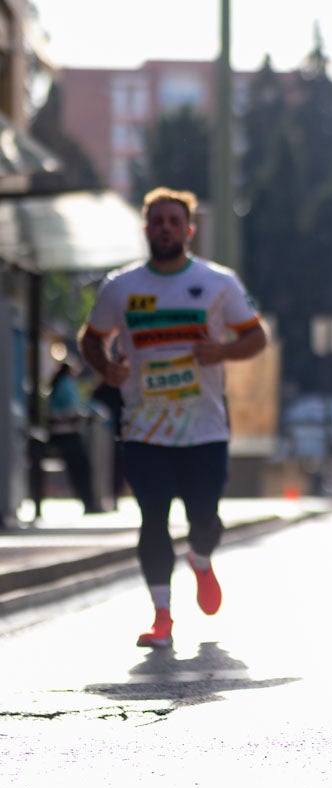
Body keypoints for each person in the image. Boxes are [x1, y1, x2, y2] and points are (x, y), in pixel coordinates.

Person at [78, 186, 269, 649]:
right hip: (144, 427)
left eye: (173, 221)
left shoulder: (218, 282)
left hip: (204, 428)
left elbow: (256, 337)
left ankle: (200, 559)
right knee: (153, 519)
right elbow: (90, 339)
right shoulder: (120, 287)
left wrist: (221, 349)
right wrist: (108, 367)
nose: (165, 228)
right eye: (156, 221)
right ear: (145, 230)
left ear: (189, 230)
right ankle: (162, 616)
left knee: (205, 520)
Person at [45, 359, 102, 513]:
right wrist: (87, 416)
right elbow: (74, 408)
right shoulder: (67, 384)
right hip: (69, 434)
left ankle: (88, 503)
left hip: (61, 434)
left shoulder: (58, 384)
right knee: (82, 470)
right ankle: (90, 504)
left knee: (77, 470)